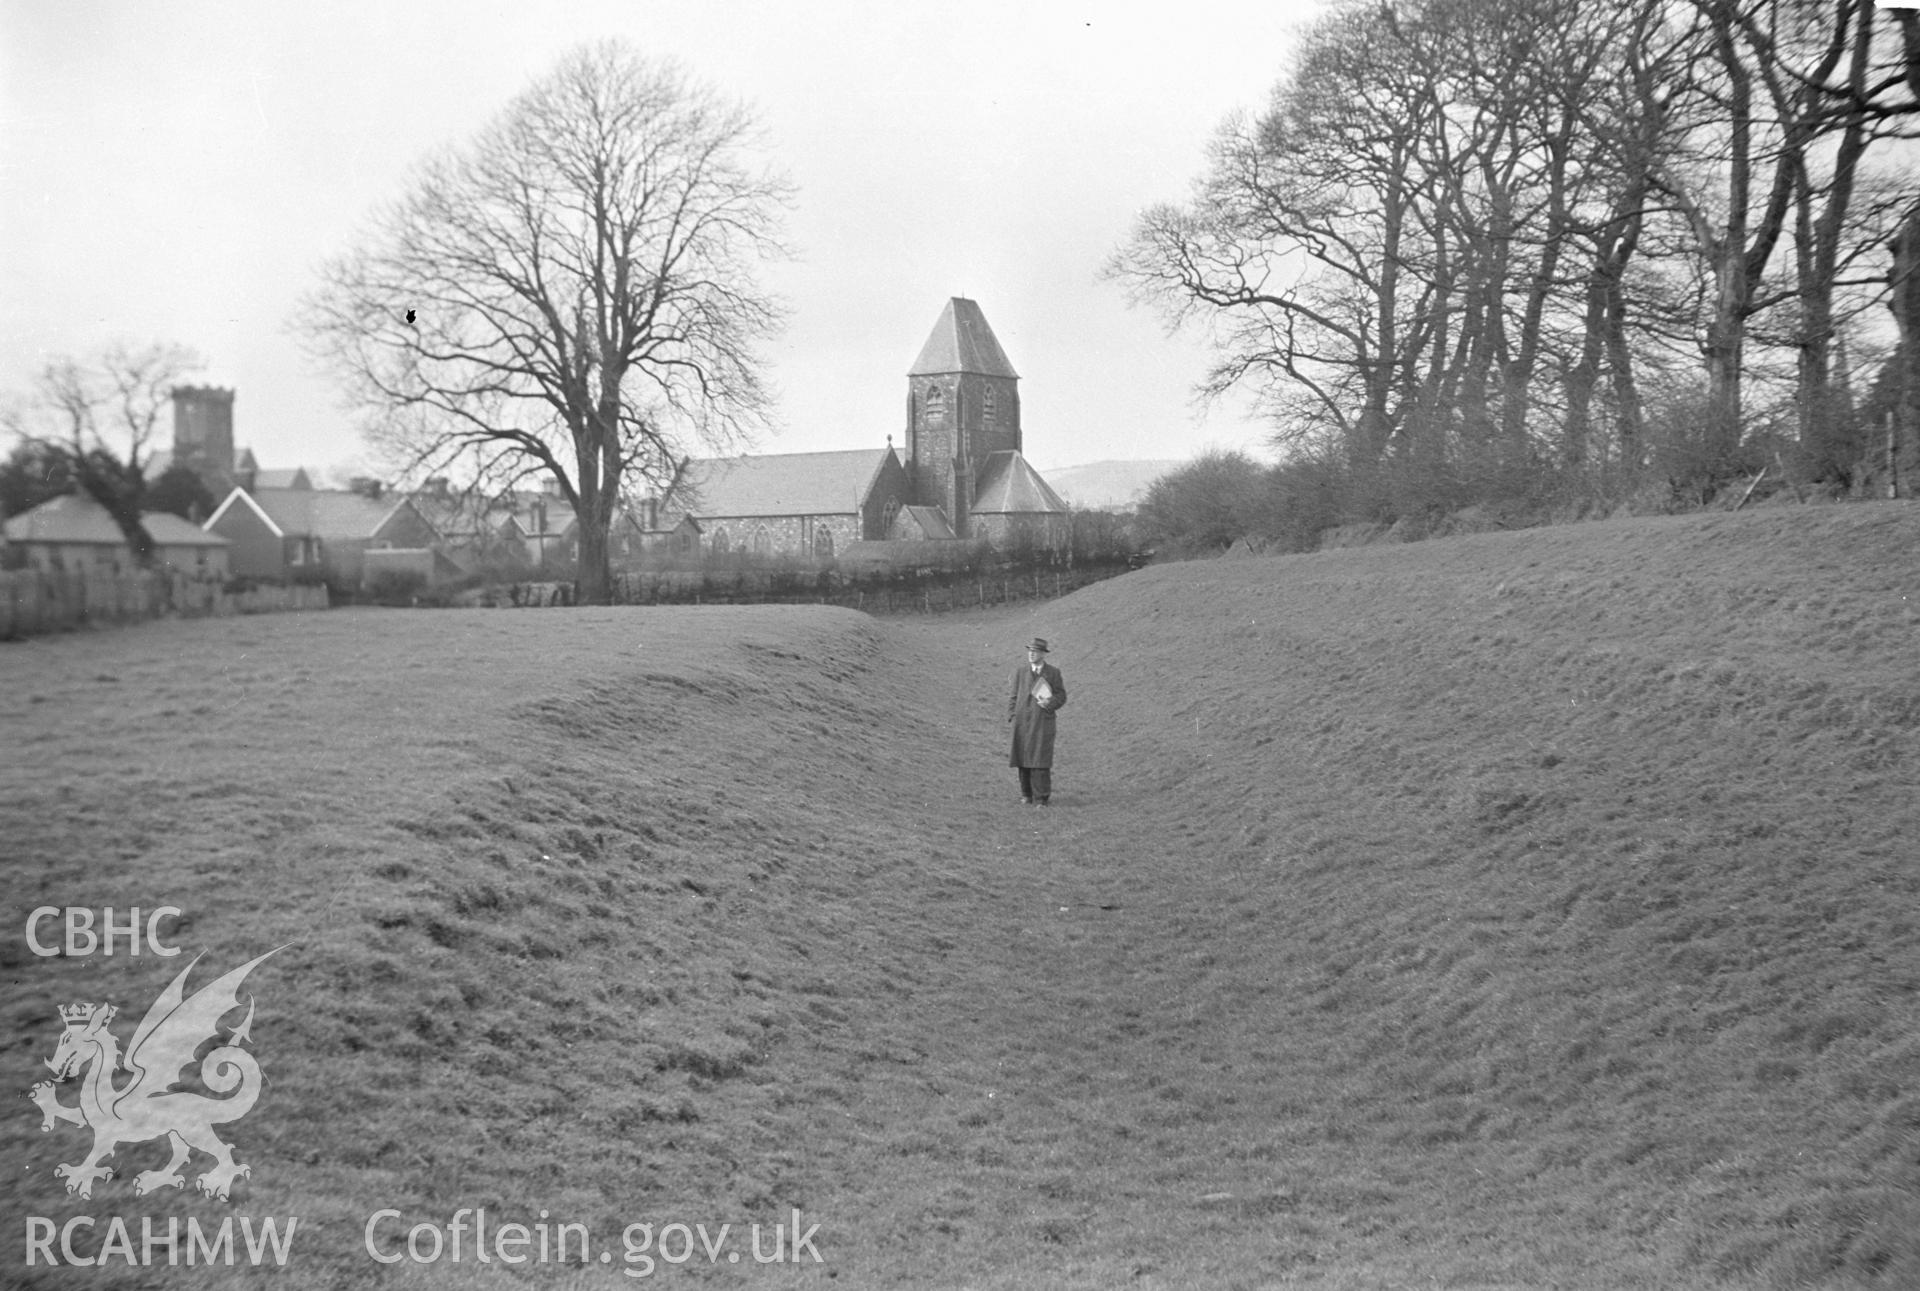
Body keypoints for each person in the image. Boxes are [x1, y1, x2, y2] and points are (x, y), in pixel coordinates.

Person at [1008, 637, 1067, 806]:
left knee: (1040, 760)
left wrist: (1050, 704)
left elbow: (1061, 696)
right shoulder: (1020, 672)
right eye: (1029, 651)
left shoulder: (1053, 673)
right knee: (1022, 759)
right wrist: (1012, 715)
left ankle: (1041, 798)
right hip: (1022, 724)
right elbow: (1013, 696)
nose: (1031, 654)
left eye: (1034, 651)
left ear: (1042, 654)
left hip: (1042, 723)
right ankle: (1026, 795)